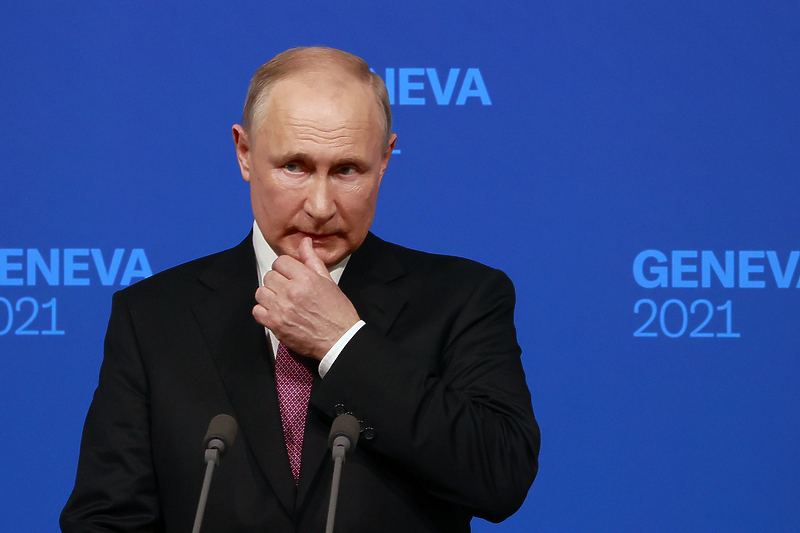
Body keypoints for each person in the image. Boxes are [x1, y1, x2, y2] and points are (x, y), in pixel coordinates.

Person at [61, 46, 540, 533]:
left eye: (347, 170)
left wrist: (344, 343)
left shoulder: (464, 298)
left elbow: (500, 477)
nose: (320, 205)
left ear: (385, 159)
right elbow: (106, 518)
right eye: (295, 166)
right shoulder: (153, 316)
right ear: (244, 153)